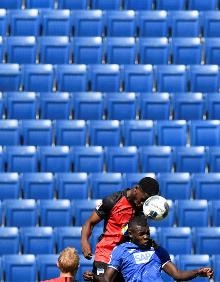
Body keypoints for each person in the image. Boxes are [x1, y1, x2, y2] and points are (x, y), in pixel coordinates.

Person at [84, 216, 214, 282]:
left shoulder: (157, 250)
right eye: (141, 234)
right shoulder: (120, 251)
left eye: (147, 233)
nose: (146, 236)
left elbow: (177, 274)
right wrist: (94, 278)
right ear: (131, 234)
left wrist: (197, 272)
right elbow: (107, 279)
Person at [81, 177, 160, 281]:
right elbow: (89, 223)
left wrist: (150, 243)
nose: (142, 204)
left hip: (126, 258)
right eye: (143, 200)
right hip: (105, 255)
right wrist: (84, 242)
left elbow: (139, 234)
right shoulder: (113, 200)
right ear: (136, 189)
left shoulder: (144, 209)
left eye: (146, 202)